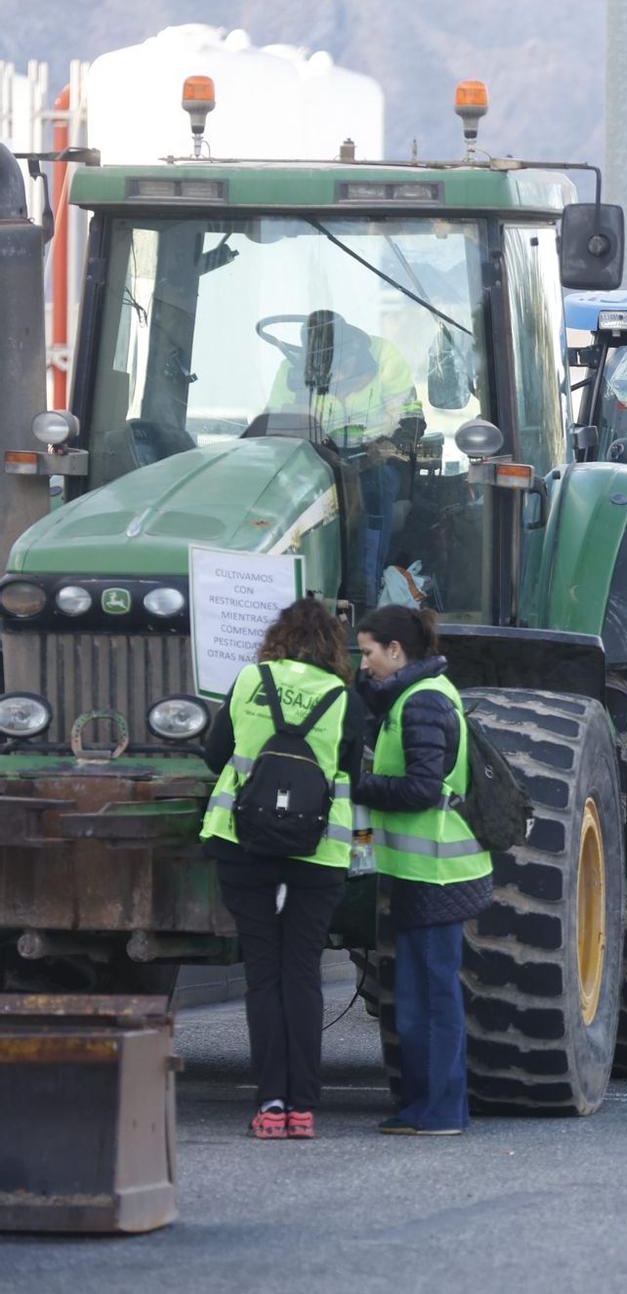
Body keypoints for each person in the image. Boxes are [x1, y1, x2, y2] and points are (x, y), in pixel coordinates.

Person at [200, 597, 367, 1140]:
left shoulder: (250, 679)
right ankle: (302, 1109)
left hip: (243, 843)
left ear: (278, 637)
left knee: (262, 975)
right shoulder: (344, 697)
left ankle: (270, 1104)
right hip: (318, 851)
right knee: (303, 974)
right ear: (332, 646)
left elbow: (216, 752)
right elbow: (350, 772)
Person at [353, 604, 492, 1136]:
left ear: (396, 651)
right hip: (419, 872)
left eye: (368, 652)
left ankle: (439, 1111)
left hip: (438, 873)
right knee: (416, 998)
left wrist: (355, 785)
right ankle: (423, 1107)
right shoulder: (408, 699)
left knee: (432, 1001)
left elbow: (421, 789)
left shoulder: (424, 702)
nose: (364, 663)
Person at [267, 310, 425, 603]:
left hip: (377, 460)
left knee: (376, 487)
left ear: (355, 352)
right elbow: (275, 427)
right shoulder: (290, 373)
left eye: (340, 369)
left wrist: (384, 447)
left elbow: (412, 421)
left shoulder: (384, 357)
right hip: (314, 460)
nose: (337, 378)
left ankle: (365, 586)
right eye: (328, 373)